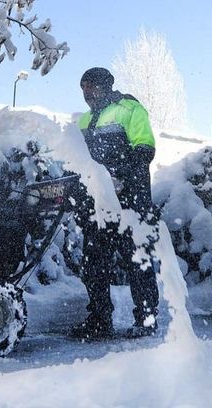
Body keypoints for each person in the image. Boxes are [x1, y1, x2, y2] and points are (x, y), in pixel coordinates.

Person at [71, 67, 159, 340]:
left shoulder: (130, 109)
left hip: (130, 203)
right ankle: (99, 320)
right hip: (98, 206)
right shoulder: (84, 120)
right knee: (94, 262)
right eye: (83, 87)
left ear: (106, 85)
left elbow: (144, 149)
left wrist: (119, 177)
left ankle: (146, 318)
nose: (87, 93)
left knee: (137, 260)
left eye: (91, 86)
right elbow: (76, 159)